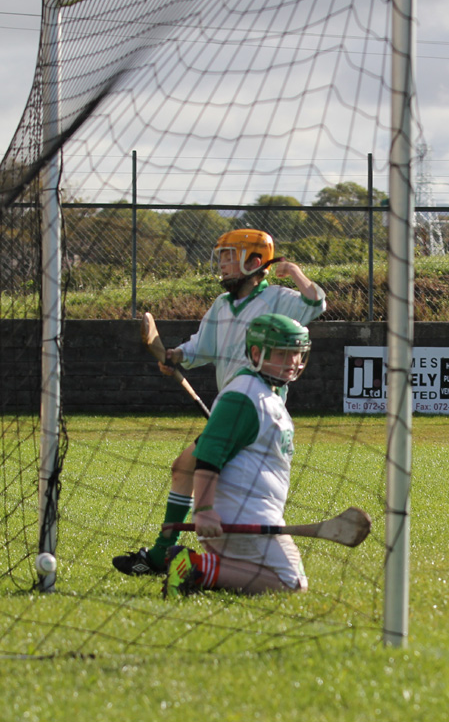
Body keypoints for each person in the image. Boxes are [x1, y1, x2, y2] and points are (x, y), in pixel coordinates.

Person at [113, 229, 325, 576]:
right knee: (188, 469)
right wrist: (177, 354)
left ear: (255, 262)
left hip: (256, 410)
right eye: (222, 257)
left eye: (230, 256)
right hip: (231, 407)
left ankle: (165, 556)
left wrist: (295, 272)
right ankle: (172, 555)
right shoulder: (221, 306)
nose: (223, 265)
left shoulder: (276, 298)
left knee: (191, 468)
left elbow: (317, 303)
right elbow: (202, 346)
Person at [162, 313, 311, 598]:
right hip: (241, 517)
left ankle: (205, 570)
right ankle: (195, 566)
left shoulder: (268, 392)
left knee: (254, 579)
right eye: (282, 353)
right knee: (292, 584)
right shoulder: (244, 395)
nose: (292, 362)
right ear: (256, 353)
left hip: (249, 515)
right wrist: (204, 511)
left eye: (296, 353)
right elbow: (208, 454)